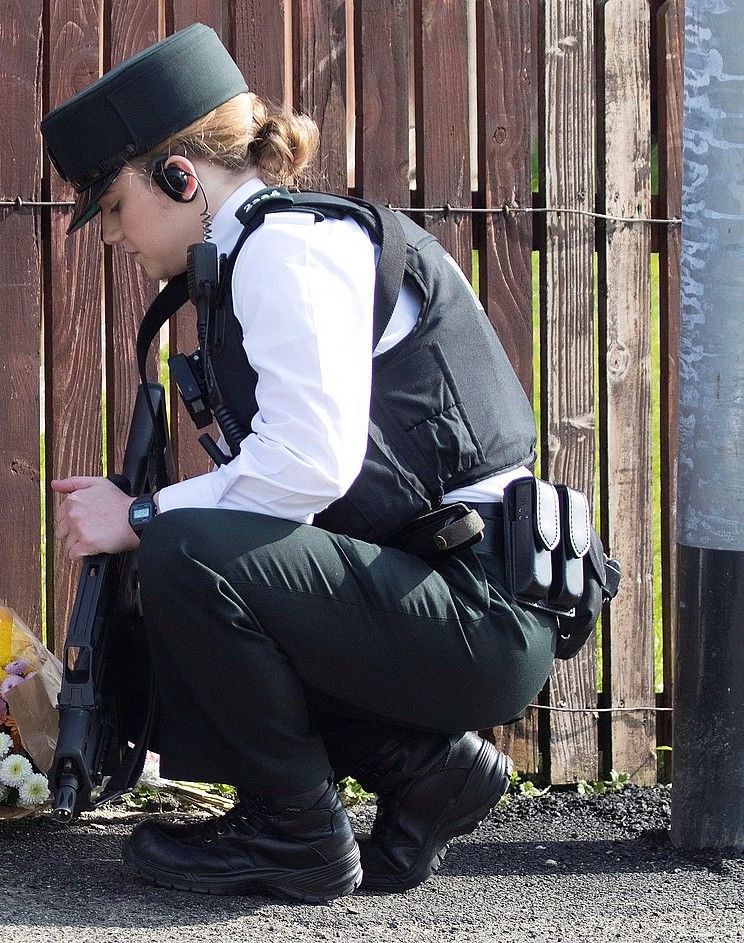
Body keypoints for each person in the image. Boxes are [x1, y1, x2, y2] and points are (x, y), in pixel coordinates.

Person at [41, 24, 557, 903]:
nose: (113, 236)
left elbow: (310, 465)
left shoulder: (285, 248)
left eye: (115, 205)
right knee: (198, 553)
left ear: (179, 176)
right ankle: (427, 773)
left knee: (187, 553)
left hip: (475, 614)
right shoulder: (253, 253)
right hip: (442, 600)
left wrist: (139, 519)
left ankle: (295, 834)